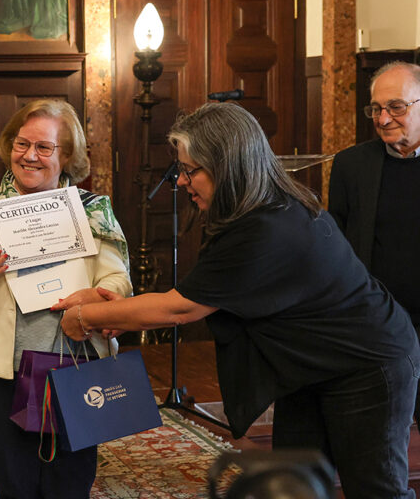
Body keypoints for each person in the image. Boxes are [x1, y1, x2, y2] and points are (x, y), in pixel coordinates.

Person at [57, 102, 420, 499]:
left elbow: (181, 308)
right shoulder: (253, 211)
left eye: (190, 170)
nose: (182, 182)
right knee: (295, 484)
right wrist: (117, 313)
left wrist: (87, 316)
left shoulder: (266, 227)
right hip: (308, 366)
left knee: (375, 490)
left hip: (367, 366)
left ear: (226, 166)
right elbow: (202, 294)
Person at [0, 99, 132, 498]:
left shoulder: (92, 210)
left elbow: (118, 281)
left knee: (71, 480)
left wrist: (94, 297)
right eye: (22, 144)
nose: (29, 156)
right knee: (15, 481)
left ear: (67, 155)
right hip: (2, 370)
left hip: (76, 364)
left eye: (44, 147)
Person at [329, 60, 420, 431]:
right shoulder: (351, 166)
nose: (383, 119)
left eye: (396, 107)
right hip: (377, 330)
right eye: (376, 109)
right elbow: (337, 249)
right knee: (380, 439)